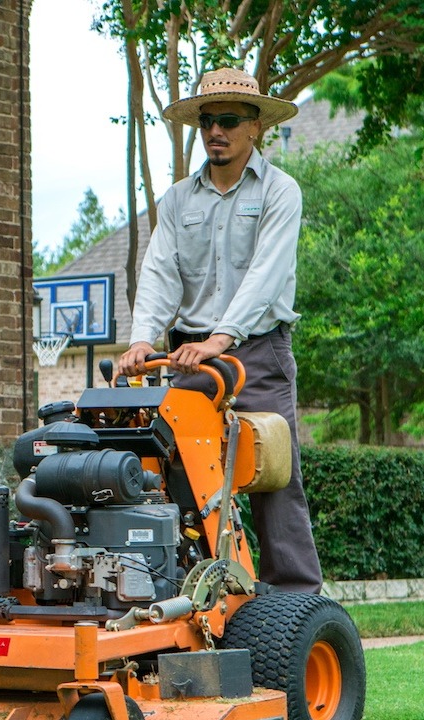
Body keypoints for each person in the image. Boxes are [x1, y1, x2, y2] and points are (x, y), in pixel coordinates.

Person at [117, 67, 321, 593]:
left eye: (229, 120)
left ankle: (297, 603)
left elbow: (266, 275)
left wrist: (221, 337)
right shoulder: (178, 200)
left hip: (257, 353)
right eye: (208, 121)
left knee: (274, 476)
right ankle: (192, 595)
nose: (216, 131)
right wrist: (143, 337)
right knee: (176, 476)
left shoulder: (281, 192)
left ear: (255, 126)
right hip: (188, 358)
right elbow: (160, 272)